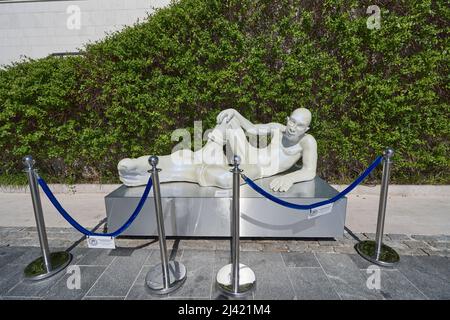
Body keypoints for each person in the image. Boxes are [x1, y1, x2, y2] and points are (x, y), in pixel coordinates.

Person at [118, 108, 317, 192]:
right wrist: (235, 112)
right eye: (292, 120)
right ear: (287, 119)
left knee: (226, 180)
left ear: (306, 129)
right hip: (248, 155)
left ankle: (179, 167)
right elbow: (251, 129)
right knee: (229, 121)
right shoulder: (278, 128)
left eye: (299, 125)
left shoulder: (307, 142)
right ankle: (204, 154)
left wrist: (290, 178)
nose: (293, 127)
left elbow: (309, 171)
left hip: (257, 167)